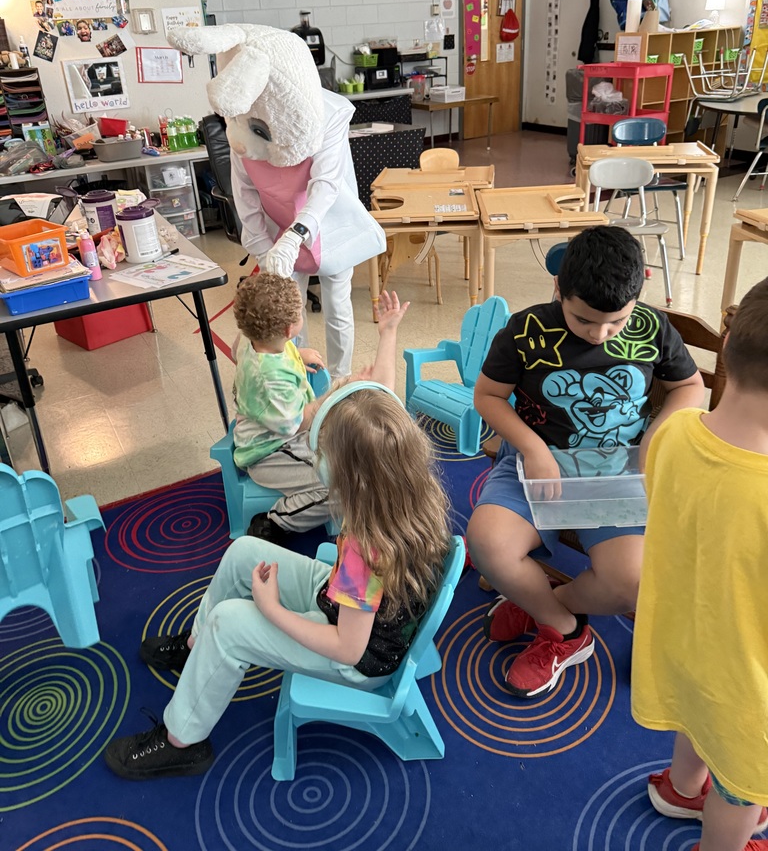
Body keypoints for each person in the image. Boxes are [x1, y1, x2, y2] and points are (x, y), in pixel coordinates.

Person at [104, 377, 451, 780]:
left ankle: (182, 740)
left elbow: (347, 650)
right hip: (354, 609)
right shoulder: (412, 494)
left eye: (322, 453)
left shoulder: (365, 547)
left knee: (230, 623)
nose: (316, 458)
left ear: (354, 475)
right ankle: (198, 646)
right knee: (244, 553)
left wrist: (269, 609)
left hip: (357, 659)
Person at [467, 226, 704, 699]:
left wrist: (653, 439)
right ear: (558, 289)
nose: (599, 334)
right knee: (487, 543)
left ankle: (546, 606)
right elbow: (488, 396)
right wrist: (533, 449)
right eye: (583, 319)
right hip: (538, 466)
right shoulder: (525, 329)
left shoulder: (653, 328)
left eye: (616, 322)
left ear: (640, 294)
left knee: (632, 579)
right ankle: (565, 629)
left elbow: (689, 387)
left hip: (617, 473)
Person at [631, 278, 768, 851]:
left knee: (694, 716)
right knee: (742, 796)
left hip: (680, 643)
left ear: (729, 343)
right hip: (747, 691)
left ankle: (684, 786)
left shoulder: (675, 434)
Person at [167, 23, 386, 379]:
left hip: (326, 223)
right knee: (286, 311)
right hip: (277, 224)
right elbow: (245, 196)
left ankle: (339, 379)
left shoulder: (327, 117)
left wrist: (297, 235)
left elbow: (325, 186)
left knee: (337, 306)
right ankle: (295, 375)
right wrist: (263, 249)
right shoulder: (242, 120)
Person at [231, 273, 408, 545]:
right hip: (271, 451)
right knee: (341, 488)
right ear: (291, 330)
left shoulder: (252, 338)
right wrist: (339, 389)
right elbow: (298, 423)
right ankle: (275, 521)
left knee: (359, 450)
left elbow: (242, 352)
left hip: (286, 434)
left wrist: (296, 355)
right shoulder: (270, 379)